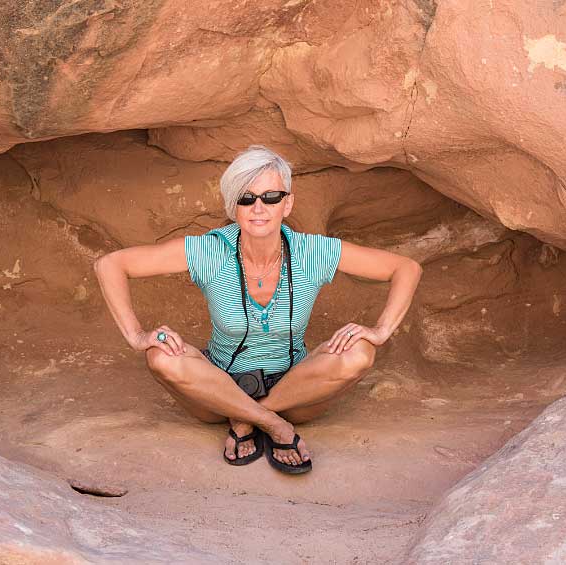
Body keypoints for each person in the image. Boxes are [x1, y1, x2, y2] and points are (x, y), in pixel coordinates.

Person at [93, 145, 422, 474]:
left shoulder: (312, 251)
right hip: (217, 387)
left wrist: (379, 332)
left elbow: (406, 268)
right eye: (246, 198)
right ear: (233, 206)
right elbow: (111, 265)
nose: (258, 208)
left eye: (271, 197)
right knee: (160, 355)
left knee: (360, 352)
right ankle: (273, 424)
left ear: (288, 202)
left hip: (296, 388)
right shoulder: (210, 251)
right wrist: (138, 336)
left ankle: (247, 417)